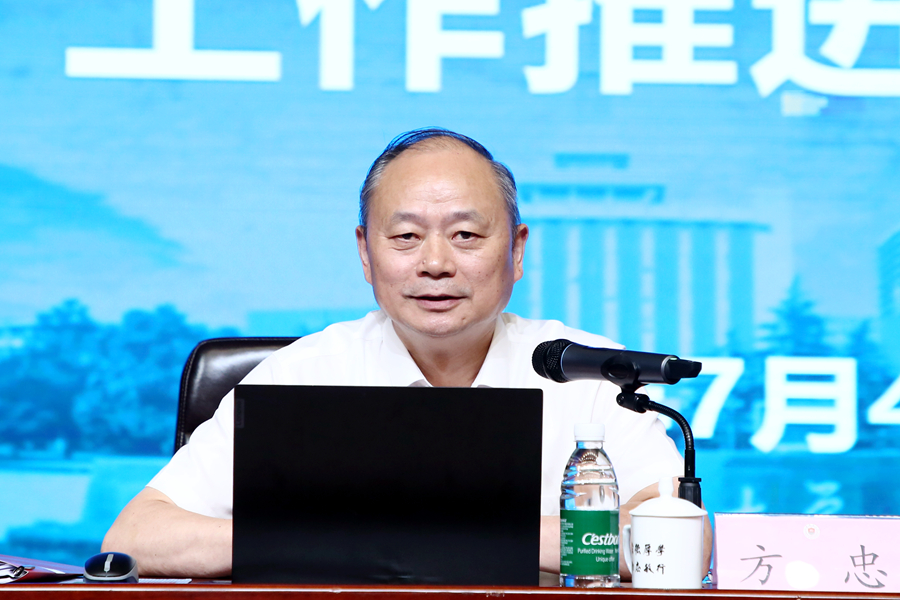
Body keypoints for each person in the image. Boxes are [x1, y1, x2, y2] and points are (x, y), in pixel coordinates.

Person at [102, 128, 711, 579]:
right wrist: (342, 542)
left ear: (517, 250)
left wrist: (426, 537)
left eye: (466, 235)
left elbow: (680, 539)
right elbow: (135, 537)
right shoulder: (307, 372)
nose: (436, 263)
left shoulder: (588, 371)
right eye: (406, 236)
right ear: (365, 253)